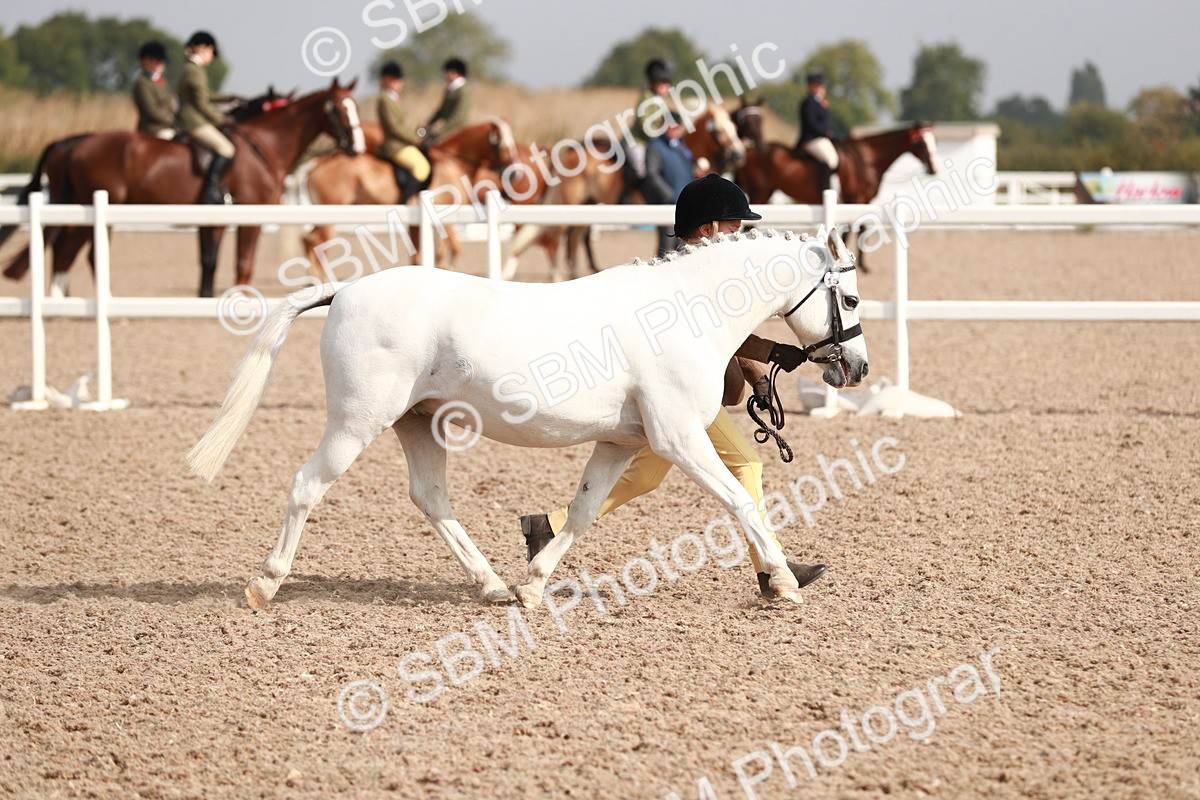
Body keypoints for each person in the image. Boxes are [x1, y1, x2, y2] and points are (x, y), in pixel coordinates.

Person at [519, 174, 827, 599]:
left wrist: (760, 371)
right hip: (675, 395)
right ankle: (771, 565)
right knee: (745, 466)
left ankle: (549, 526)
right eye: (735, 228)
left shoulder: (700, 274)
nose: (741, 237)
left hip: (676, 395)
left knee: (645, 476)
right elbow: (719, 333)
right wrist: (769, 357)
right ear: (709, 230)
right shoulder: (685, 281)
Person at [175, 31, 235, 204]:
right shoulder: (195, 70)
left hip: (191, 118)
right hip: (193, 121)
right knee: (226, 148)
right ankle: (211, 190)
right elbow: (202, 104)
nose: (211, 58)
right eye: (211, 53)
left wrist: (229, 97)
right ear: (204, 48)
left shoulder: (190, 68)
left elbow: (206, 94)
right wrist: (221, 119)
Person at [376, 61, 430, 203]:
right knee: (422, 166)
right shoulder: (384, 99)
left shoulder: (395, 99)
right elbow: (394, 127)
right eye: (393, 79)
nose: (397, 83)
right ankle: (405, 203)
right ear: (386, 80)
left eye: (398, 80)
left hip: (402, 142)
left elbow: (403, 124)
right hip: (394, 145)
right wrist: (415, 139)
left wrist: (418, 132)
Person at [642, 121, 695, 256]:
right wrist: (669, 195)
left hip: (684, 203)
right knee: (666, 245)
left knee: (683, 245)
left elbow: (687, 170)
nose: (674, 130)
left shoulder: (682, 147)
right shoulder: (655, 146)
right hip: (667, 203)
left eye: (677, 126)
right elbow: (652, 174)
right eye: (670, 126)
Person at [627, 59, 676, 180]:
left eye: (667, 84)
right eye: (663, 84)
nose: (667, 87)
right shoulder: (646, 98)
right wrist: (662, 135)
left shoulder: (663, 99)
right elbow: (645, 125)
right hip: (638, 142)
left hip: (653, 143)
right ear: (654, 84)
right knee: (642, 171)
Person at [796, 70, 840, 195]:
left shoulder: (819, 101)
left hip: (820, 138)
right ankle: (825, 190)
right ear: (811, 86)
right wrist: (827, 132)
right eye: (818, 85)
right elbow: (812, 123)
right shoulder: (809, 102)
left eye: (821, 85)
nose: (821, 88)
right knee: (831, 159)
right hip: (811, 139)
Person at [132, 40, 175, 139]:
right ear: (145, 61)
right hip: (153, 129)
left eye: (161, 61)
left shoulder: (162, 82)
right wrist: (172, 120)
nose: (160, 64)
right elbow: (152, 111)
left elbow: (170, 104)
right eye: (156, 60)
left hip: (167, 126)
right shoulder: (142, 83)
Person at [424, 57, 471, 140]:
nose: (444, 75)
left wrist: (439, 132)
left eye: (446, 72)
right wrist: (427, 125)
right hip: (447, 130)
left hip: (458, 132)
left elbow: (459, 118)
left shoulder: (463, 91)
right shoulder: (450, 89)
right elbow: (441, 111)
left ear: (454, 72)